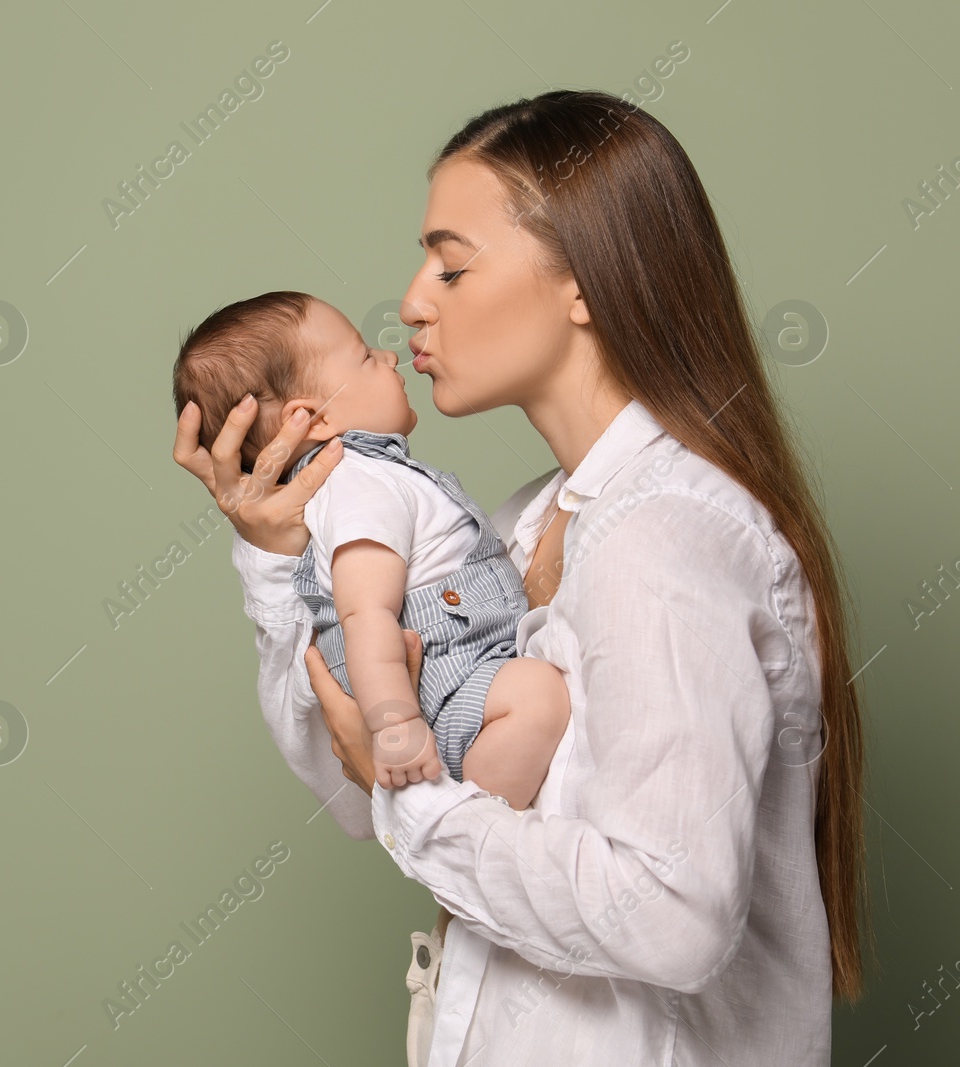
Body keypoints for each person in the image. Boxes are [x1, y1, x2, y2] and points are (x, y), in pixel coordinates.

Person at [172, 89, 870, 1066]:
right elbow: (349, 786)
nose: (412, 298)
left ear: (581, 281)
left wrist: (408, 801)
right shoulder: (511, 529)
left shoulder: (663, 536)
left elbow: (669, 913)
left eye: (451, 264)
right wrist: (278, 551)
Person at [170, 291, 569, 798]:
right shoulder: (360, 483)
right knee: (538, 696)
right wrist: (394, 724)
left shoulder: (365, 481)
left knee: (533, 694)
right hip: (444, 686)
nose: (388, 356)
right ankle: (473, 830)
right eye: (364, 356)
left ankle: (467, 824)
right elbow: (365, 614)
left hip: (460, 674)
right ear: (314, 420)